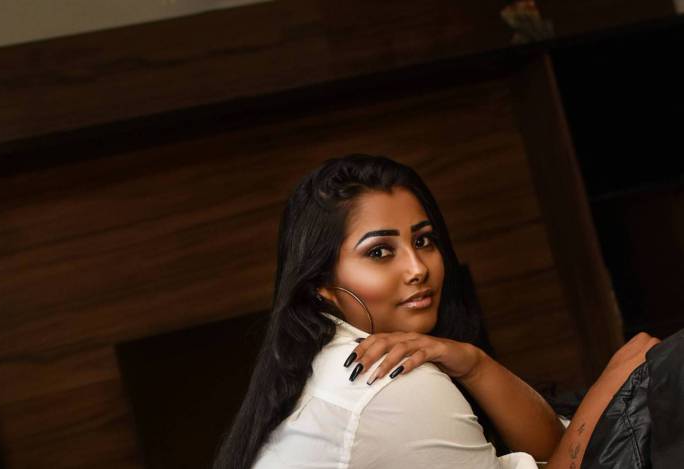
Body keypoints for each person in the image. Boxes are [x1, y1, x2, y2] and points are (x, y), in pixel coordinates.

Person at [211, 154, 660, 469]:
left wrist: (474, 363)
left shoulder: (323, 363)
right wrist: (618, 389)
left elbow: (547, 451)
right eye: (380, 252)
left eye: (424, 241)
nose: (418, 268)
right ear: (321, 285)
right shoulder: (388, 382)